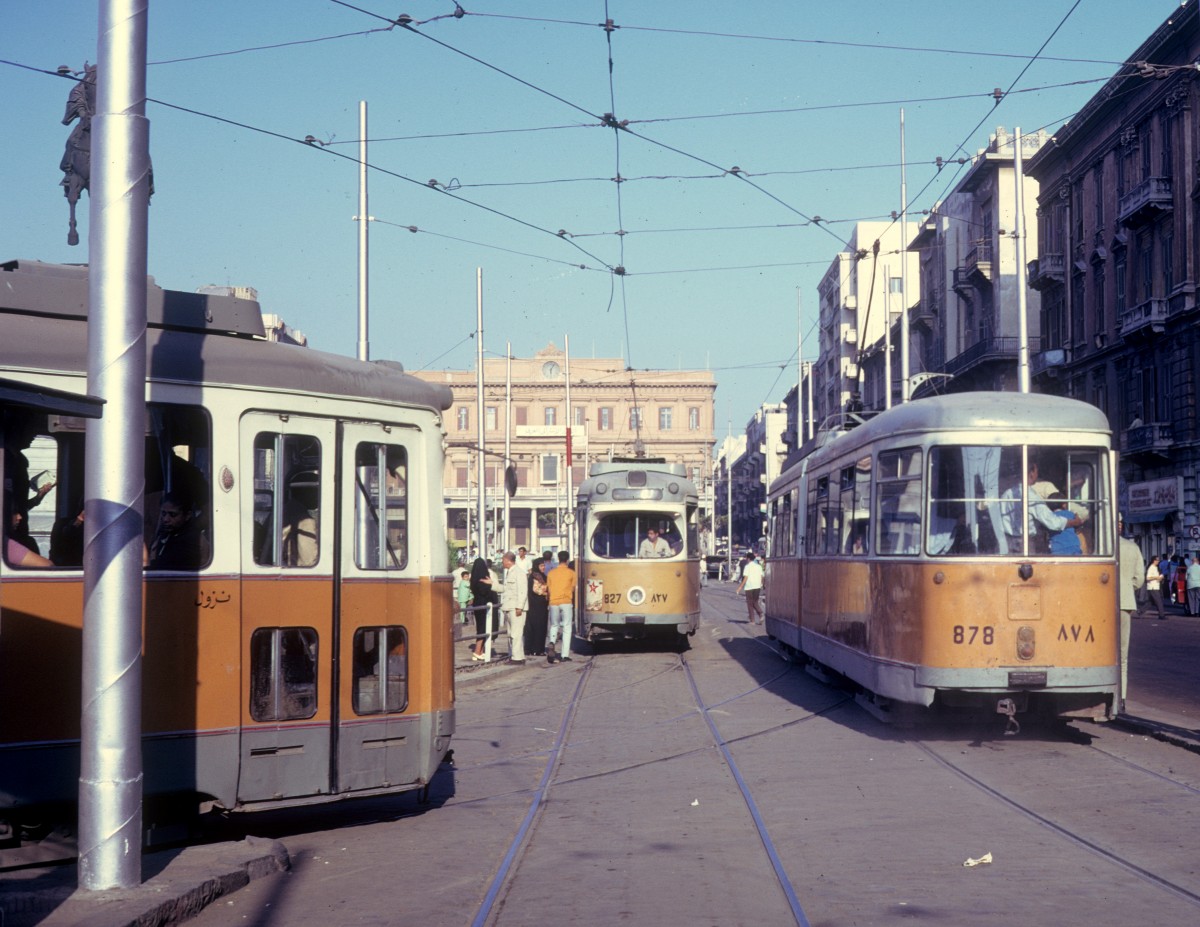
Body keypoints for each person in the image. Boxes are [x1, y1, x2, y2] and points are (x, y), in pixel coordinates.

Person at [1000, 461, 1081, 553]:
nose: (1037, 475)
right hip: (1025, 543)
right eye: (1037, 471)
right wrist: (1074, 522)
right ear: (1031, 473)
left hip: (1007, 542)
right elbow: (1052, 522)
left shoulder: (1006, 494)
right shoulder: (1031, 496)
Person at [1117, 517, 1144, 712]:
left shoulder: (1094, 545)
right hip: (1124, 603)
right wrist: (1127, 588)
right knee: (1123, 655)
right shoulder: (1132, 547)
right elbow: (1139, 578)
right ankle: (1122, 698)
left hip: (1100, 605)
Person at [148, 490, 208, 570]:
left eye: (172, 514)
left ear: (187, 515)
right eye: (163, 513)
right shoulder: (168, 533)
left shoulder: (193, 541)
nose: (166, 519)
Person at [546, 550, 576, 663]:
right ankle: (564, 655)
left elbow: (548, 589)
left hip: (553, 602)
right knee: (567, 627)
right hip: (566, 601)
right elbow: (573, 588)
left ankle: (552, 641)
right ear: (567, 560)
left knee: (554, 625)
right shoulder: (571, 573)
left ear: (558, 559)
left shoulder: (551, 573)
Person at [500, 551, 529, 664]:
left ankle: (516, 658)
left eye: (503, 560)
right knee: (512, 633)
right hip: (509, 606)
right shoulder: (510, 572)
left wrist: (519, 607)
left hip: (516, 608)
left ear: (508, 560)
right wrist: (492, 584)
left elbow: (523, 591)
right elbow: (506, 589)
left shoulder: (519, 572)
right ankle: (518, 656)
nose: (502, 562)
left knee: (516, 633)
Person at [468, 556, 498, 661]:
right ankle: (477, 651)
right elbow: (486, 592)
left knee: (481, 627)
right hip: (485, 605)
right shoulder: (484, 579)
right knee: (484, 628)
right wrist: (491, 585)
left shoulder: (474, 579)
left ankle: (480, 651)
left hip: (477, 603)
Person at [524, 558, 549, 657]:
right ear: (536, 566)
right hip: (536, 606)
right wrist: (547, 592)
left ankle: (535, 648)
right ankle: (536, 649)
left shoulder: (542, 576)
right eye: (541, 566)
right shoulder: (534, 577)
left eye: (544, 565)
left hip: (540, 606)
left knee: (539, 628)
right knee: (535, 627)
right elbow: (537, 590)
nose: (543, 567)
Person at [736, 549, 764, 624]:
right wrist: (761, 584)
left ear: (748, 558)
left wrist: (740, 587)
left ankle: (752, 620)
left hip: (749, 587)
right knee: (755, 602)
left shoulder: (747, 567)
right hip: (757, 586)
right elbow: (762, 576)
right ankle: (761, 614)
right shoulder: (759, 566)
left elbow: (745, 578)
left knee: (750, 604)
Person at [1145, 555, 1166, 620]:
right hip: (1153, 587)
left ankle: (1140, 611)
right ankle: (1161, 615)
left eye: (1158, 560)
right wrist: (1156, 577)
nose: (1158, 561)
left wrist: (1160, 578)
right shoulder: (1151, 568)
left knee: (1151, 602)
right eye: (1157, 560)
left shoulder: (1156, 567)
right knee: (1159, 601)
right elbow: (1147, 578)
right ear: (1153, 560)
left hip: (1156, 586)